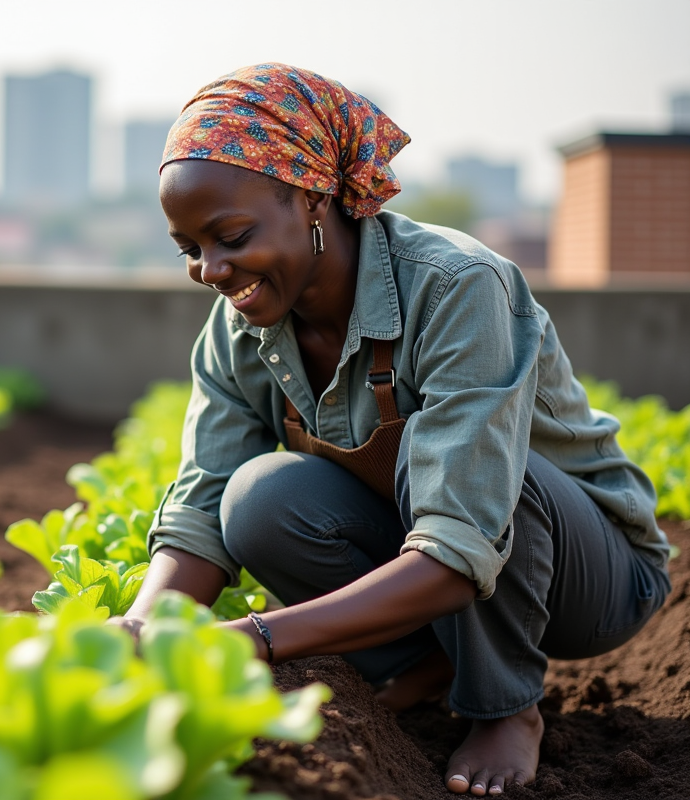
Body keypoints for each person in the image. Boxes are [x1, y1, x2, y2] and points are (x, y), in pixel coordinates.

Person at [116, 64, 671, 797]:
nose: (211, 270)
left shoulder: (457, 285)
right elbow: (201, 507)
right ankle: (423, 665)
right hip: (439, 547)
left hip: (587, 574)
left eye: (230, 236)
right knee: (256, 498)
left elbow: (461, 530)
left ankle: (506, 706)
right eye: (190, 249)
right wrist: (137, 629)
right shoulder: (241, 329)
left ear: (312, 198)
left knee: (450, 466)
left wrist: (256, 639)